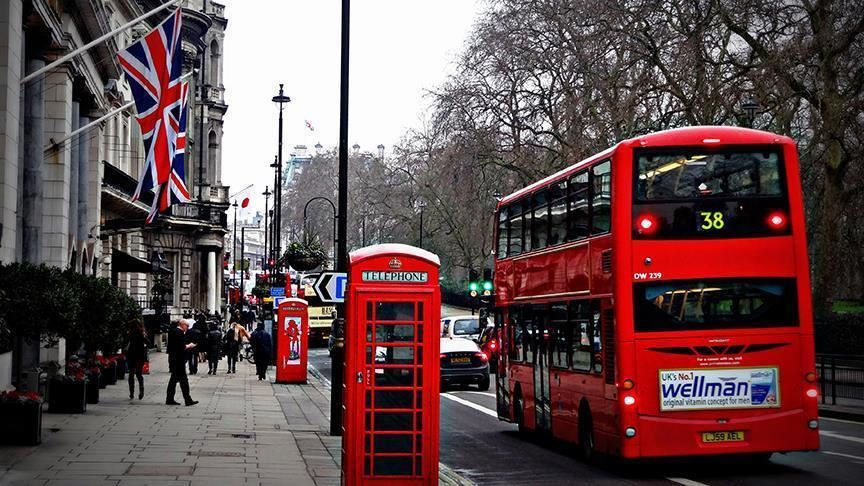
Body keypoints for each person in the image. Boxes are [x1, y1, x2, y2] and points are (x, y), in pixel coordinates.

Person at [166, 319, 198, 406]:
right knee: (183, 380)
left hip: (175, 359)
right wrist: (189, 345)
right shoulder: (178, 333)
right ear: (182, 325)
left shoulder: (174, 331)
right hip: (178, 360)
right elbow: (181, 347)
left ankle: (171, 398)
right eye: (186, 326)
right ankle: (187, 400)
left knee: (175, 380)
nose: (187, 328)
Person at [125, 319, 148, 400]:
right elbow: (148, 342)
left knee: (131, 374)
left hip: (131, 355)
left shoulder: (130, 333)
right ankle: (141, 389)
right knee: (139, 374)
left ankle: (131, 393)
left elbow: (126, 342)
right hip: (139, 355)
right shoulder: (141, 333)